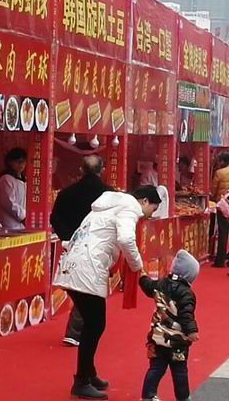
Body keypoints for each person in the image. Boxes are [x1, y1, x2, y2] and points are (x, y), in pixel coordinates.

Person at [57, 186, 160, 400]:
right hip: (88, 267)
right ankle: (82, 381)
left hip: (74, 263)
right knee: (95, 324)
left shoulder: (104, 206)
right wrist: (137, 266)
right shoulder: (129, 207)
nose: (151, 214)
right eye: (153, 207)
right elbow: (125, 239)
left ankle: (88, 373)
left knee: (92, 323)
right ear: (144, 201)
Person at [51, 155, 111, 347]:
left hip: (72, 245)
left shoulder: (66, 193)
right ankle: (76, 331)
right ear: (102, 170)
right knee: (89, 288)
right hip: (97, 247)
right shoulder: (109, 195)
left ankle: (77, 330)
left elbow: (55, 218)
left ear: (81, 170)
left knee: (78, 286)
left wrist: (67, 238)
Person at [139, 249, 199, 401]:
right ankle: (183, 397)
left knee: (156, 368)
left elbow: (148, 286)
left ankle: (148, 395)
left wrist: (142, 277)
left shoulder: (160, 284)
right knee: (179, 371)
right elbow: (186, 315)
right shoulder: (187, 293)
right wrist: (192, 331)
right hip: (177, 340)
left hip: (158, 336)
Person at [0, 148, 27, 231]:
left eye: (23, 161)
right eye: (18, 161)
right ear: (10, 162)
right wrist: (23, 217)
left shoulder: (24, 180)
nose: (21, 164)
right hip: (9, 225)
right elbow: (9, 203)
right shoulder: (6, 179)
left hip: (23, 225)